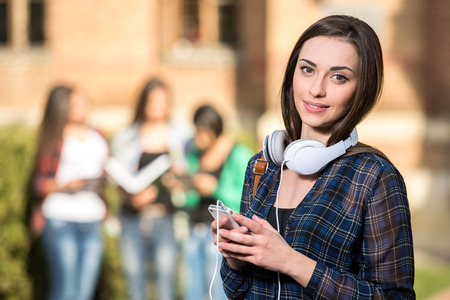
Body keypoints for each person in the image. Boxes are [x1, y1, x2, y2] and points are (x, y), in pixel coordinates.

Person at [212, 15, 415, 299]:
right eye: (307, 70)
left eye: (338, 77)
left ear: (362, 88)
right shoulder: (262, 167)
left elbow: (397, 297)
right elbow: (237, 291)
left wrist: (291, 261)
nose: (316, 89)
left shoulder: (374, 177)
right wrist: (237, 256)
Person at [110, 78, 188, 300]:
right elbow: (117, 176)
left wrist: (169, 185)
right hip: (133, 219)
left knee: (166, 286)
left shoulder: (181, 136)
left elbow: (188, 173)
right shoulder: (126, 137)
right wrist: (130, 197)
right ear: (143, 102)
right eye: (153, 100)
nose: (158, 105)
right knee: (135, 285)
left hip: (166, 219)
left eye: (163, 100)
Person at [30, 85, 109, 300]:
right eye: (75, 103)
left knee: (84, 292)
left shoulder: (98, 135)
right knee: (65, 289)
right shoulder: (54, 138)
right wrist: (66, 185)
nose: (82, 107)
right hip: (60, 218)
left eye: (84, 101)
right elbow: (40, 184)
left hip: (92, 218)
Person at [180, 105, 252, 300]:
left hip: (224, 233)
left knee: (220, 291)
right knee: (193, 289)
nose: (199, 137)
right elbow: (190, 198)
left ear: (214, 129)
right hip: (196, 228)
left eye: (203, 131)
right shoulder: (195, 153)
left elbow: (246, 197)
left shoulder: (238, 153)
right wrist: (183, 184)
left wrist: (214, 188)